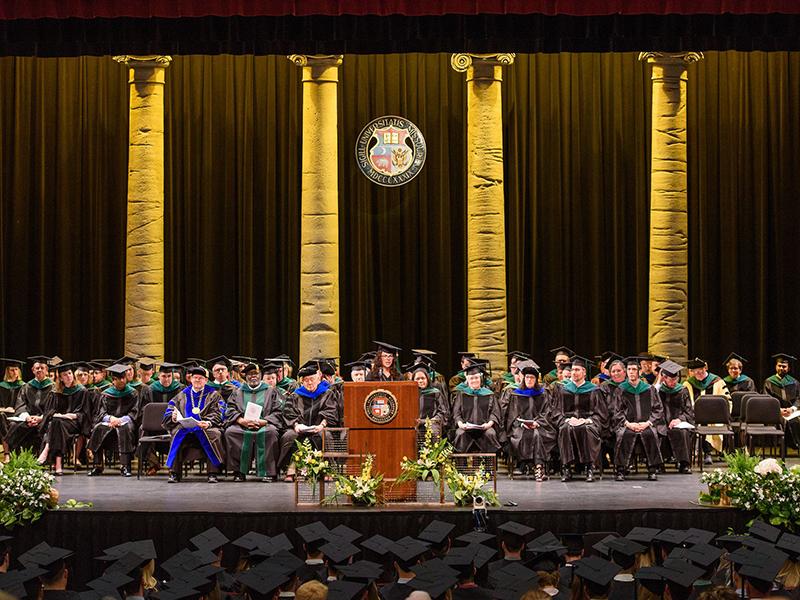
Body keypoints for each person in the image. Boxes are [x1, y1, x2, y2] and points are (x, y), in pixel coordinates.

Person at [163, 365, 224, 483]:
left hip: (205, 427)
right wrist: (174, 417)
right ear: (191, 379)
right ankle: (174, 473)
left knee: (214, 434)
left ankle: (212, 473)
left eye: (200, 378)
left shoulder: (214, 394)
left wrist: (208, 422)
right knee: (176, 434)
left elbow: (220, 411)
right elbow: (170, 408)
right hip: (185, 427)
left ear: (206, 380)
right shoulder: (182, 394)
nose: (197, 380)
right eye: (195, 378)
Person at [550, 355, 607, 482]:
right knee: (565, 429)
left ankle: (589, 468)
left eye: (577, 370)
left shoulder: (594, 390)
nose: (574, 373)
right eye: (572, 370)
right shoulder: (564, 390)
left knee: (587, 429)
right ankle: (566, 468)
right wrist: (568, 420)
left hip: (588, 421)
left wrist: (585, 420)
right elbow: (556, 412)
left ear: (584, 372)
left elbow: (601, 413)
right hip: (568, 421)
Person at [277, 361, 338, 478]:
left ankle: (326, 469)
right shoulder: (295, 395)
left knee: (325, 435)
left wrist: (321, 426)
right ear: (302, 381)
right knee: (289, 436)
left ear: (319, 379)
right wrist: (296, 426)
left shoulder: (327, 394)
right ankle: (291, 469)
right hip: (300, 427)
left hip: (320, 427)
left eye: (312, 379)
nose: (309, 383)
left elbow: (330, 412)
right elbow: (289, 413)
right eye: (306, 380)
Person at [224, 362, 283, 482]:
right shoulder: (238, 392)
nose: (253, 376)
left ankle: (268, 472)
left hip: (265, 424)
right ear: (245, 376)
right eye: (250, 374)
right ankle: (239, 472)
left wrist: (264, 421)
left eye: (256, 373)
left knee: (271, 433)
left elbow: (279, 411)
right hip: (243, 425)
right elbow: (229, 409)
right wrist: (241, 420)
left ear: (260, 375)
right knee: (231, 432)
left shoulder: (271, 391)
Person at [611, 357, 664, 481]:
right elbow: (617, 411)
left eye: (634, 369)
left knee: (650, 434)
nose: (631, 372)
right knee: (624, 435)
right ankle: (621, 470)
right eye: (629, 369)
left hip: (646, 424)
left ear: (639, 372)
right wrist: (628, 424)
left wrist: (648, 423)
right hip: (627, 425)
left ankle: (652, 469)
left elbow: (658, 409)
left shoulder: (649, 389)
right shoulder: (621, 389)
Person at [504, 361, 556, 481]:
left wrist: (537, 422)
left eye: (532, 377)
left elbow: (547, 413)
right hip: (520, 427)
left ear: (536, 379)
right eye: (527, 377)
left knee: (537, 434)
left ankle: (537, 466)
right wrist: (522, 423)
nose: (529, 380)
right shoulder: (516, 395)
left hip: (540, 426)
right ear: (523, 378)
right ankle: (534, 466)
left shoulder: (542, 394)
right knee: (527, 435)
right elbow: (512, 415)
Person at [87, 363, 140, 477]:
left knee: (125, 428)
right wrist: (110, 418)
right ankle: (97, 465)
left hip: (126, 422)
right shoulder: (106, 394)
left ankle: (125, 466)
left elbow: (134, 413)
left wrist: (120, 420)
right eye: (118, 379)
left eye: (123, 378)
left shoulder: (133, 393)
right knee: (98, 428)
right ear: (113, 380)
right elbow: (101, 412)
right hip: (109, 422)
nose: (121, 381)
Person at [36, 363, 87, 476]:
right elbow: (49, 412)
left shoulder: (82, 391)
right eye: (65, 374)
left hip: (75, 423)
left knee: (56, 423)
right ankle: (58, 464)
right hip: (59, 423)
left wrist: (71, 416)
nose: (68, 376)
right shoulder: (56, 392)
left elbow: (84, 413)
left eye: (70, 373)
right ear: (60, 378)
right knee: (57, 423)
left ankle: (47, 450)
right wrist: (63, 416)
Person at [6, 356, 55, 454]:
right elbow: (20, 405)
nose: (39, 370)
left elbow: (54, 408)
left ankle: (42, 458)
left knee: (50, 426)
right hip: (28, 420)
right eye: (37, 368)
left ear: (46, 370)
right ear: (33, 370)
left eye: (42, 368)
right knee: (13, 425)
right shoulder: (27, 387)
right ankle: (18, 457)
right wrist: (27, 417)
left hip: (45, 420)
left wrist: (41, 418)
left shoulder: (53, 387)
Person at [686, 357, 730, 464]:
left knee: (708, 423)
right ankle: (698, 453)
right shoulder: (688, 383)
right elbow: (685, 402)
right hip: (695, 416)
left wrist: (717, 413)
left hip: (715, 415)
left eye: (701, 371)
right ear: (692, 372)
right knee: (699, 423)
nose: (699, 374)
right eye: (696, 372)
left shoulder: (717, 381)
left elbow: (727, 400)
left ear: (705, 368)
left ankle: (708, 453)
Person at [451, 362, 501, 453]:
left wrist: (489, 424)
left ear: (480, 378)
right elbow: (456, 413)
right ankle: (462, 465)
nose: (474, 380)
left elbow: (494, 412)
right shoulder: (462, 394)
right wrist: (461, 424)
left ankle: (488, 466)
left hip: (484, 427)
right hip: (466, 428)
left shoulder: (489, 394)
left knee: (491, 433)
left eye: (476, 378)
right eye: (471, 378)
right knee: (460, 433)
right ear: (467, 379)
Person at [655, 360, 694, 474]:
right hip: (661, 421)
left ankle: (684, 464)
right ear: (664, 378)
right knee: (657, 432)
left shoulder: (682, 390)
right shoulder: (658, 391)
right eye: (671, 379)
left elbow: (688, 411)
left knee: (683, 432)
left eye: (675, 379)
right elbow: (653, 409)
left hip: (678, 422)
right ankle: (658, 464)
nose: (673, 382)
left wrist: (679, 419)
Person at [763, 353, 800, 451]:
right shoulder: (769, 382)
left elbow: (798, 399)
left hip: (791, 412)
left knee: (795, 421)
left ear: (788, 368)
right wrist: (778, 409)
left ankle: (795, 446)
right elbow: (767, 398)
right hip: (775, 412)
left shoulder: (794, 382)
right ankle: (780, 447)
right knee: (781, 422)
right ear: (776, 367)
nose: (781, 368)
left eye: (784, 366)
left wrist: (792, 409)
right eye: (779, 366)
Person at [410, 364, 449, 441]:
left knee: (433, 430)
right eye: (417, 379)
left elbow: (442, 412)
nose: (420, 381)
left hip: (432, 423)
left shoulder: (435, 392)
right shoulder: (409, 394)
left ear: (427, 379)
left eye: (423, 378)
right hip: (415, 424)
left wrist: (431, 421)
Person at [0, 358, 25, 456]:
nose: (14, 372)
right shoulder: (1, 386)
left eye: (16, 369)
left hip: (18, 415)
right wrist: (5, 409)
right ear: (7, 371)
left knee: (11, 424)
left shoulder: (24, 386)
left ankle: (9, 453)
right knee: (1, 418)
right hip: (4, 415)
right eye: (12, 370)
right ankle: (7, 453)